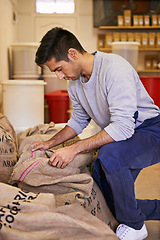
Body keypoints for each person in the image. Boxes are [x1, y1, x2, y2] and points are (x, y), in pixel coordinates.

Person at [32, 27, 160, 240]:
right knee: (105, 193)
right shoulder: (75, 83)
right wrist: (50, 143)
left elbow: (123, 127)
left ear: (73, 54)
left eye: (59, 68)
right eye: (54, 71)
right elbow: (79, 120)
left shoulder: (114, 69)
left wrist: (73, 150)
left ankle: (136, 226)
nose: (59, 75)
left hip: (151, 131)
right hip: (125, 137)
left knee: (110, 156)